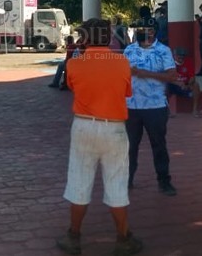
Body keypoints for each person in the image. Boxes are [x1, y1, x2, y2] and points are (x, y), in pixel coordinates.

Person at [55, 18, 142, 256]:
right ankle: (123, 238)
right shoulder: (122, 62)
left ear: (84, 38)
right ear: (108, 37)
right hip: (114, 128)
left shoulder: (74, 64)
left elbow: (73, 87)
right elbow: (126, 92)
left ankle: (74, 236)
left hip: (83, 126)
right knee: (116, 183)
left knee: (79, 181)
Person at [123, 18, 178, 196]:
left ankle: (164, 181)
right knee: (130, 146)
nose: (142, 32)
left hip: (155, 107)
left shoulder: (163, 51)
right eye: (140, 29)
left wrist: (143, 73)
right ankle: (127, 179)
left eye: (146, 29)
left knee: (159, 145)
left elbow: (171, 77)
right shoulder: (129, 50)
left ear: (153, 32)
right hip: (131, 106)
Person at [167, 47, 201, 115]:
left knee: (196, 85)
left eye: (182, 56)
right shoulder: (169, 64)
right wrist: (178, 83)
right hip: (173, 85)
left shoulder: (188, 62)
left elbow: (192, 77)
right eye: (179, 56)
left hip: (186, 85)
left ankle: (195, 110)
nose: (181, 58)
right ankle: (167, 110)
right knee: (164, 86)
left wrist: (188, 84)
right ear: (174, 56)